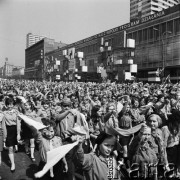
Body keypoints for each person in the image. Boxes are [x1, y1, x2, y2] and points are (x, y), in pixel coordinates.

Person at [2, 97, 21, 172]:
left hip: (15, 130)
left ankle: (16, 146)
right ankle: (13, 163)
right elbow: (3, 125)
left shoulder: (16, 112)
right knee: (10, 148)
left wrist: (18, 133)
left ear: (13, 104)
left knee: (14, 146)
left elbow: (18, 124)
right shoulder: (4, 113)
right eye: (8, 104)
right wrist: (4, 136)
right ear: (6, 105)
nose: (10, 106)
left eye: (11, 104)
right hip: (8, 131)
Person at [161, 110, 180, 176]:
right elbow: (163, 147)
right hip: (169, 153)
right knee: (169, 173)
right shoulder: (165, 128)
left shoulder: (178, 127)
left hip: (177, 151)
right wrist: (165, 162)